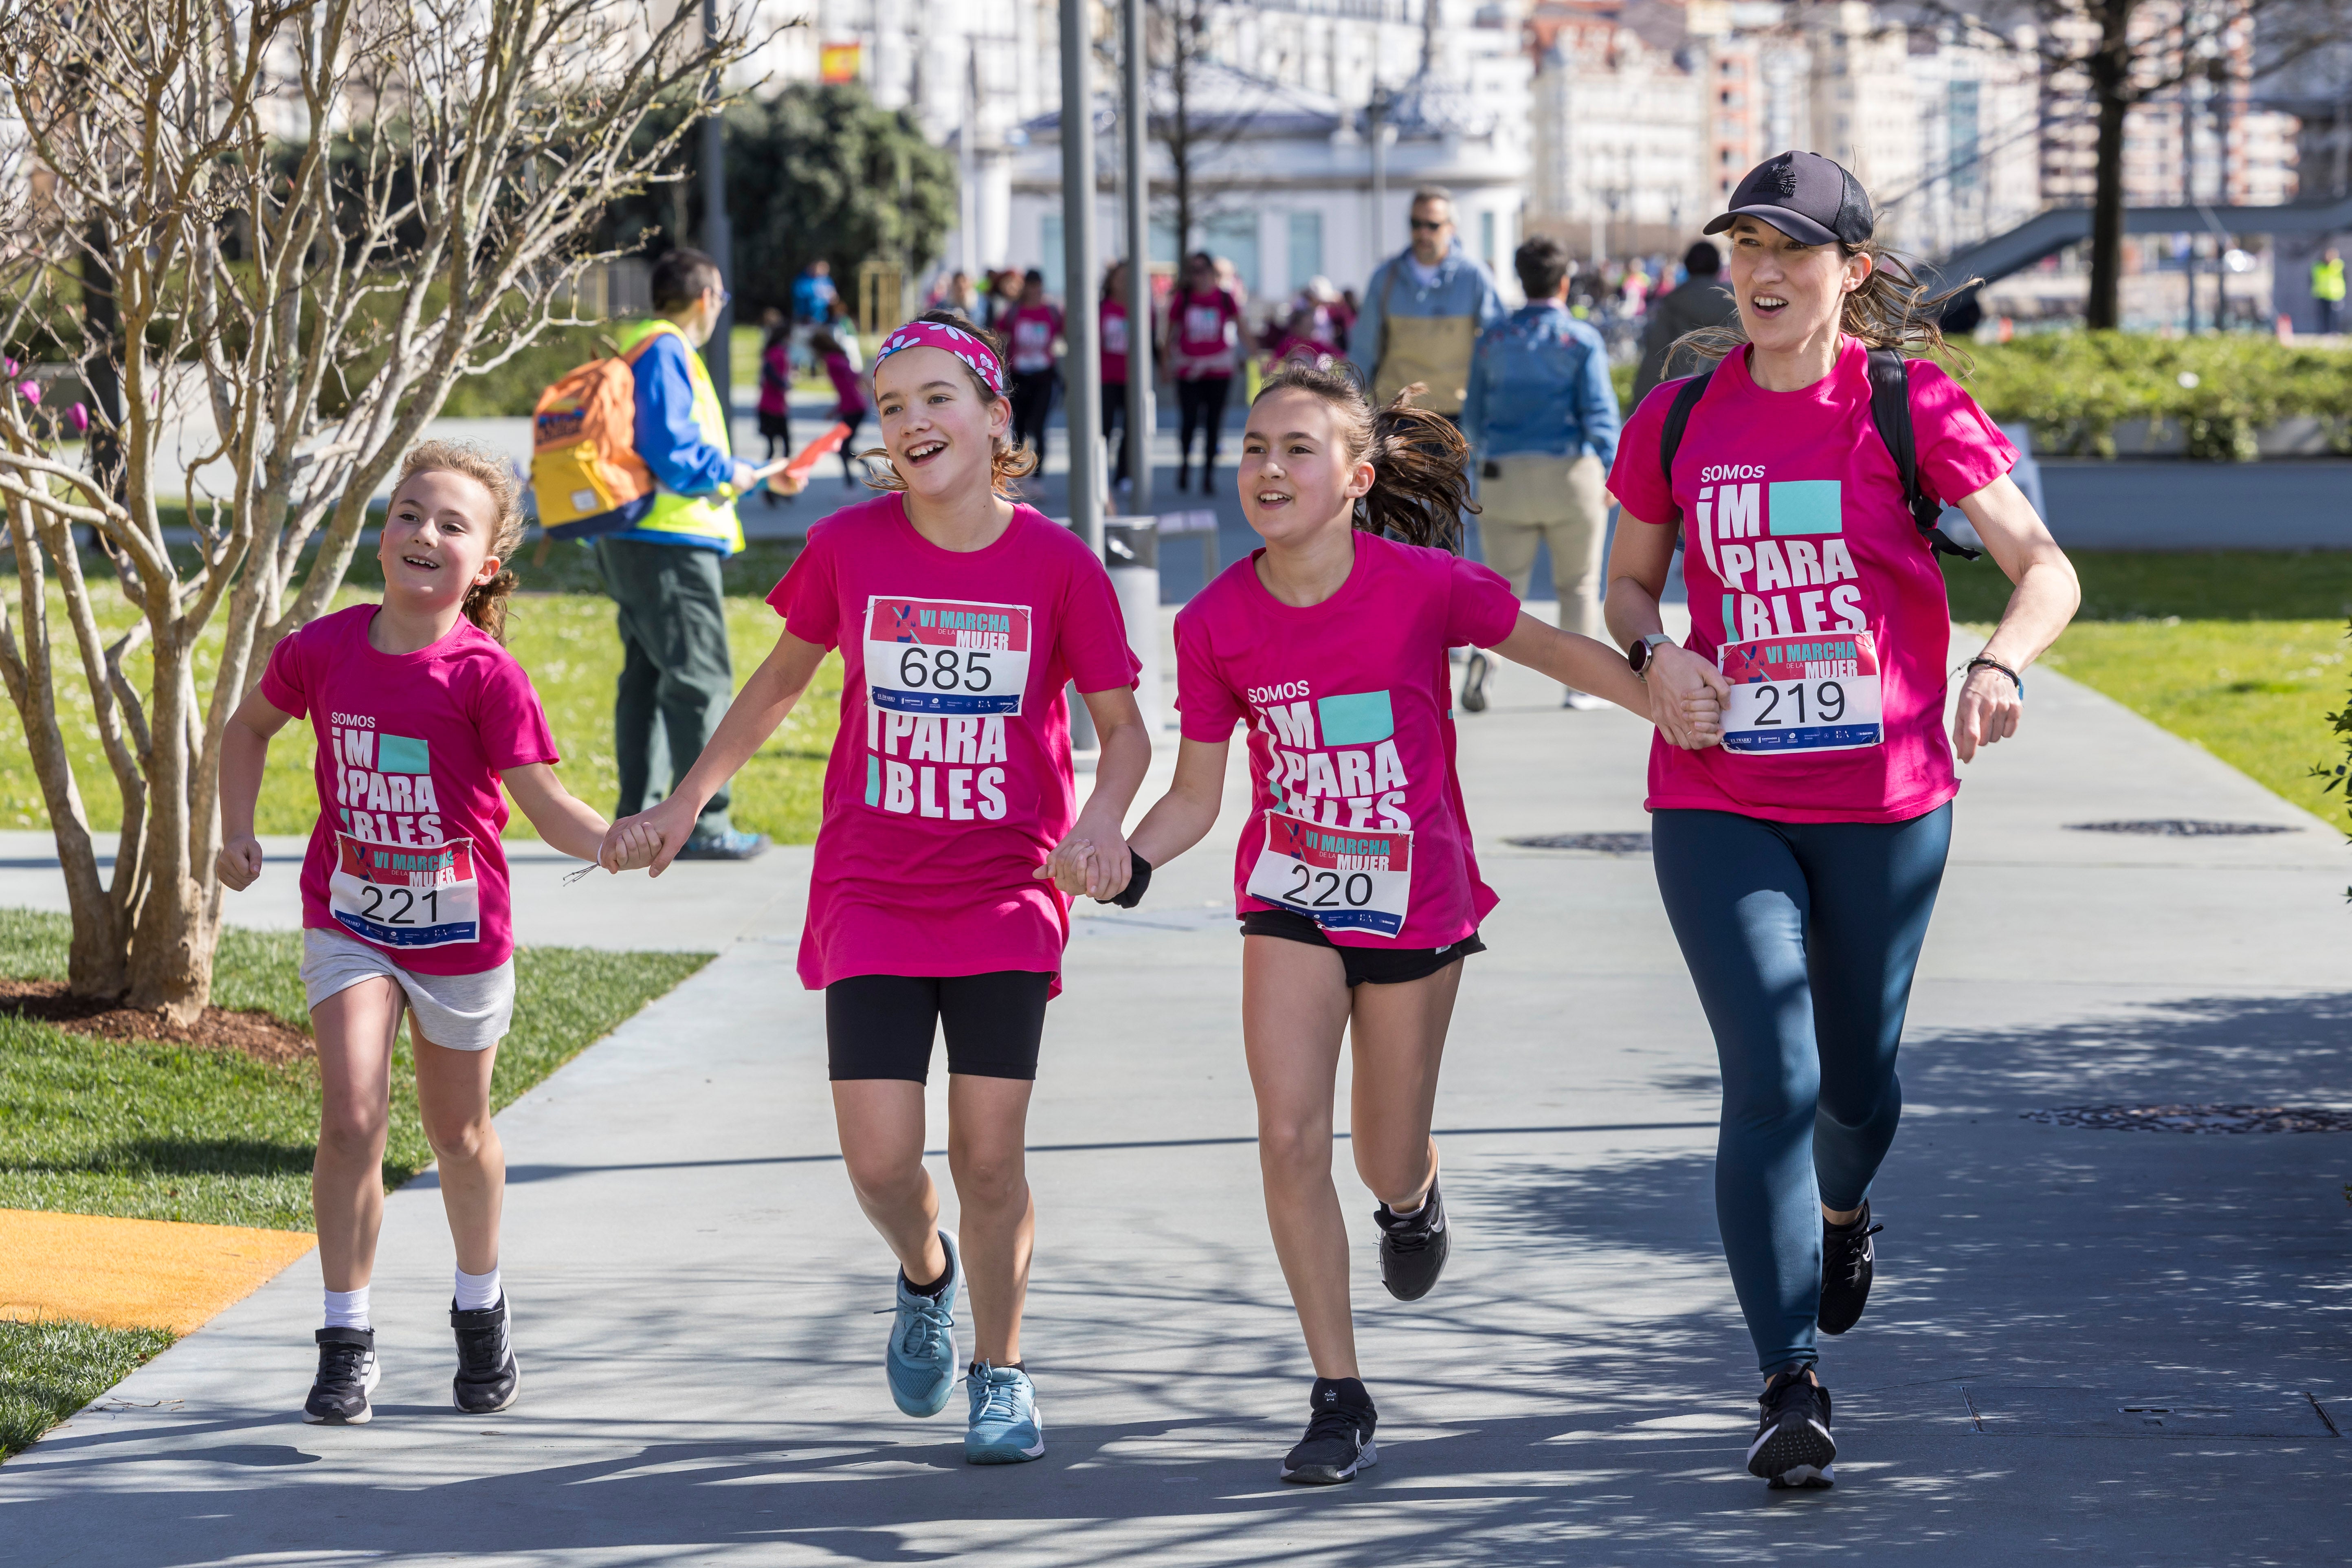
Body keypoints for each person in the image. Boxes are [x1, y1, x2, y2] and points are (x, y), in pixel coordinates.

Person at [1081, 363, 1720, 1486]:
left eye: (1296, 450)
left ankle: (1410, 1193)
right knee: (1286, 1137)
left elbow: (1556, 652)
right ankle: (1337, 1392)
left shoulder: (1425, 587)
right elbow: (1194, 795)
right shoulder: (1220, 618)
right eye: (1253, 450)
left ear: (1356, 476)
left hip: (1414, 900)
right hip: (1291, 896)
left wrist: (1665, 701)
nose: (1267, 470)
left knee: (1378, 1151)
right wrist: (1126, 857)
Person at [1603, 150, 2080, 1491]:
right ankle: (1787, 1374)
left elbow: (2044, 566)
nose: (1759, 272)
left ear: (1848, 273)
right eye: (1742, 247)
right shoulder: (1681, 416)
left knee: (1856, 1086)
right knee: (1772, 1073)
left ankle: (1846, 1201)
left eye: (1792, 250)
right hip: (1718, 789)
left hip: (1883, 801)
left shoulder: (1904, 402)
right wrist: (1655, 658)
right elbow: (1629, 586)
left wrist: (1997, 664)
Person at [603, 313, 1150, 1467]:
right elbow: (770, 689)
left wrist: (1100, 826)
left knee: (989, 1157)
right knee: (880, 1162)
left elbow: (1124, 733)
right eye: (891, 407)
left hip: (1007, 889)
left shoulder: (1056, 565)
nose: (911, 423)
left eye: (935, 398)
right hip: (870, 891)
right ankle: (923, 1274)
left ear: (995, 417)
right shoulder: (851, 547)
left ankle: (999, 1370)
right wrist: (687, 799)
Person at [216, 442, 656, 1427]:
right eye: (410, 513)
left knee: (458, 1132)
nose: (424, 533)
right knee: (351, 1118)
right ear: (384, 532)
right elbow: (245, 729)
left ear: (487, 565)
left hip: (460, 936)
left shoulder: (486, 674)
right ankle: (345, 1336)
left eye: (452, 525)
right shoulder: (320, 648)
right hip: (350, 918)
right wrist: (235, 829)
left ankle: (480, 1302)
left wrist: (621, 839)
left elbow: (547, 809)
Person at [593, 247, 770, 861]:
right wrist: (732, 473)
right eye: (721, 297)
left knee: (646, 678)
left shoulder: (638, 343)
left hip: (637, 538)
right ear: (706, 299)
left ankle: (639, 818)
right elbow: (673, 449)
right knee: (700, 679)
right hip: (666, 542)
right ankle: (703, 822)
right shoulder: (667, 349)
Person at [1460, 235, 1622, 711]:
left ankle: (1486, 657)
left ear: (1520, 279)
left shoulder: (1492, 339)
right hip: (1570, 474)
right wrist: (1613, 469)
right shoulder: (1581, 339)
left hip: (1503, 474)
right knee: (1576, 584)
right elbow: (1598, 411)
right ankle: (1578, 686)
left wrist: (1476, 465)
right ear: (1564, 283)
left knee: (1499, 587)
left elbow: (1472, 416)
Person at [1348, 186, 1506, 419]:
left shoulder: (1474, 276)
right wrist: (1347, 409)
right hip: (1396, 413)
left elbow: (1497, 344)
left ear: (1451, 228)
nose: (1423, 233)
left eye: (1433, 225)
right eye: (1416, 224)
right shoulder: (1385, 277)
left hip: (1456, 415)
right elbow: (1363, 349)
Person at [1165, 251, 1242, 491]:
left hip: (1218, 371)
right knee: (1189, 421)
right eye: (1193, 271)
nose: (1198, 276)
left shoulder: (1226, 298)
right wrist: (1165, 363)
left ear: (1212, 272)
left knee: (1213, 423)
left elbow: (1244, 328)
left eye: (1202, 270)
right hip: (1189, 371)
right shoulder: (1183, 299)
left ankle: (1209, 475)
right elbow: (1169, 335)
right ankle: (1186, 465)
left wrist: (1258, 356)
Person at [1631, 241, 1739, 406]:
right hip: (1731, 393)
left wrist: (1639, 408)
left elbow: (1655, 357)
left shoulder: (1672, 303)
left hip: (1683, 399)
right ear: (1718, 266)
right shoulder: (1736, 302)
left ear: (1687, 266)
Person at [1004, 269, 1064, 459]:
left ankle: (1039, 474)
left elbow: (1067, 334)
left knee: (1039, 425)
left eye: (1038, 286)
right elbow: (999, 335)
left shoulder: (1052, 312)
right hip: (1019, 377)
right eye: (1031, 286)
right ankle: (1019, 470)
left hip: (1044, 377)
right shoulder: (1014, 312)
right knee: (1019, 426)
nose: (1034, 291)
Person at [811, 327, 870, 488]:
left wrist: (868, 384)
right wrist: (835, 410)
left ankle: (861, 481)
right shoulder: (835, 358)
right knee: (845, 448)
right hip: (852, 407)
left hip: (854, 408)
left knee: (844, 449)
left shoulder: (832, 360)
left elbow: (853, 375)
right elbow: (845, 389)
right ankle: (868, 476)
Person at [1100, 261, 1136, 489]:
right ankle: (1100, 474)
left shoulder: (1141, 308)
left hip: (1132, 379)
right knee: (1105, 428)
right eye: (1119, 277)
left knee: (1131, 429)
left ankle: (1124, 474)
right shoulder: (1102, 308)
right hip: (1105, 378)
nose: (1123, 282)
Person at [756, 308, 795, 506]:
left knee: (779, 448)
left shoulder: (777, 351)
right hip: (772, 408)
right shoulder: (777, 352)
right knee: (779, 449)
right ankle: (771, 487)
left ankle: (780, 487)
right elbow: (769, 372)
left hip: (775, 407)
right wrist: (783, 384)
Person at [2313, 246, 2344, 334]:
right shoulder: (2318, 266)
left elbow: (2345, 278)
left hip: (2335, 294)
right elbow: (2312, 279)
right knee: (2323, 315)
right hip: (2322, 294)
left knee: (2334, 315)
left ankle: (2335, 331)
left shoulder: (2339, 266)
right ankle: (2324, 332)